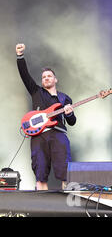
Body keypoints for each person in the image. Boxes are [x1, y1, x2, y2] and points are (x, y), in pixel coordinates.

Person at [16, 43, 76, 190]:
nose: (46, 78)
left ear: (56, 80)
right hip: (39, 135)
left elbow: (72, 122)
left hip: (59, 134)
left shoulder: (64, 98)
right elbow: (25, 74)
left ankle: (67, 203)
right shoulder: (36, 92)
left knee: (64, 168)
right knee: (40, 169)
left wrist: (70, 113)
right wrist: (20, 56)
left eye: (49, 76)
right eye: (44, 77)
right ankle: (40, 203)